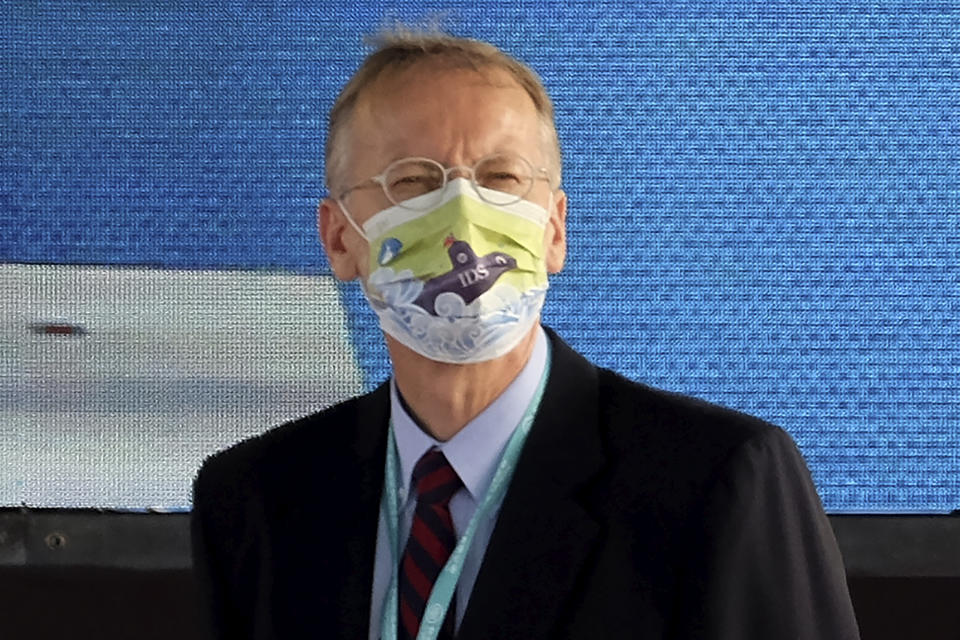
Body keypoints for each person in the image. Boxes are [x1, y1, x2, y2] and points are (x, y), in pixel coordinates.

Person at [191, 28, 861, 640]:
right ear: (340, 239)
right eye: (415, 180)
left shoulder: (716, 481)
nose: (462, 213)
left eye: (501, 178)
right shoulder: (256, 500)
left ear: (555, 229)